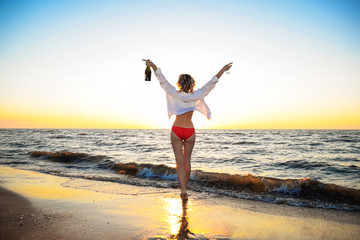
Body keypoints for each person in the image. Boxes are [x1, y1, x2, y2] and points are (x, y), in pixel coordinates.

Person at [143, 59, 232, 199]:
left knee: (178, 161)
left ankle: (182, 189)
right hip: (189, 131)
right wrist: (223, 69)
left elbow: (161, 79)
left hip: (177, 129)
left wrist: (151, 64)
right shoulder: (197, 95)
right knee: (187, 161)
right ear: (192, 84)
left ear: (179, 83)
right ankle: (186, 188)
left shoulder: (173, 92)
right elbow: (211, 84)